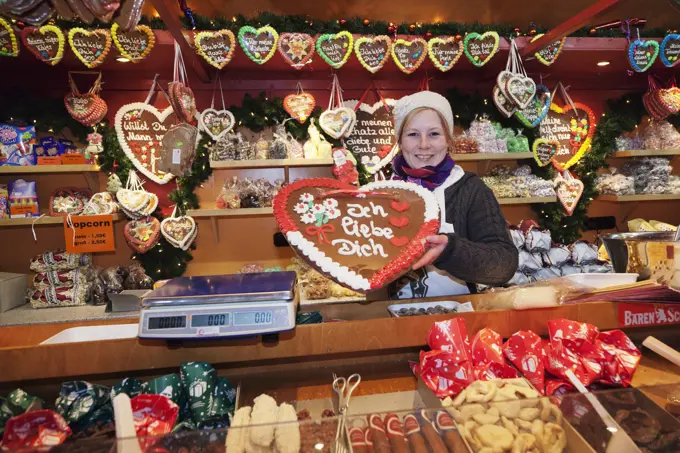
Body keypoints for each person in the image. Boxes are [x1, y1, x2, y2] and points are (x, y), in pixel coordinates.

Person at [387, 90, 518, 298]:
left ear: (448, 140)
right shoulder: (382, 193)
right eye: (412, 134)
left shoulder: (470, 190)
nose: (423, 145)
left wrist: (450, 250)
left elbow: (503, 265)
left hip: (458, 320)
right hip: (390, 320)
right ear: (400, 141)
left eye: (434, 134)